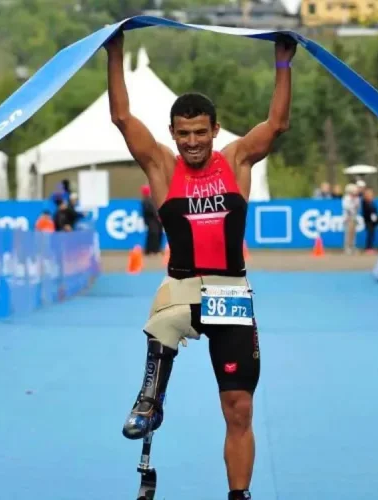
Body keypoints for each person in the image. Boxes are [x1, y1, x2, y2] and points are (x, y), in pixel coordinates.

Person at [105, 29, 295, 500]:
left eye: (200, 132)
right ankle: (150, 399)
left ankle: (239, 495)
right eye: (184, 134)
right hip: (183, 288)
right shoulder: (162, 167)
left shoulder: (236, 161)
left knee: (239, 409)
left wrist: (283, 62)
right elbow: (122, 117)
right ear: (173, 134)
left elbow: (276, 124)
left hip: (230, 294)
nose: (192, 142)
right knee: (164, 317)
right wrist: (115, 52)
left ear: (215, 130)